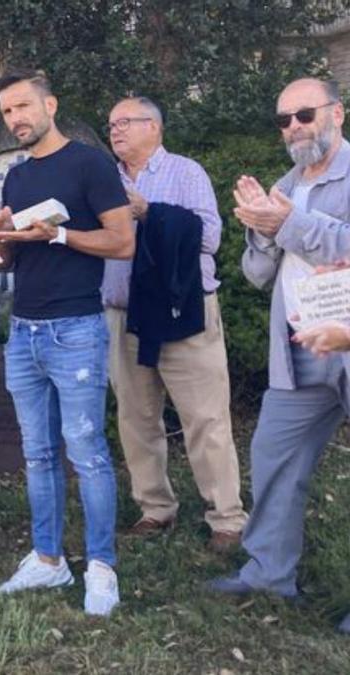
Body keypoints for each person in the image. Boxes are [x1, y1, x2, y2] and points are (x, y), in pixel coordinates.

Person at [0, 68, 133, 616]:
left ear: (51, 104)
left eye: (22, 106)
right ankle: (47, 560)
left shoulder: (90, 165)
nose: (15, 119)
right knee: (38, 453)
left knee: (87, 453)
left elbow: (122, 241)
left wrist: (61, 233)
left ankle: (101, 567)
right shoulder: (17, 179)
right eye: (6, 112)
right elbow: (11, 260)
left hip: (76, 330)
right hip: (23, 332)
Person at [206, 77, 350, 635]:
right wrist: (264, 235)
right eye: (284, 120)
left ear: (336, 113)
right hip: (297, 352)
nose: (294, 128)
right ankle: (269, 571)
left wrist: (287, 223)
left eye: (305, 114)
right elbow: (256, 274)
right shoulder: (284, 183)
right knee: (273, 455)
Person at [100, 97, 248, 550]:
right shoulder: (104, 181)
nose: (116, 130)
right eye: (111, 124)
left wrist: (151, 213)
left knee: (205, 417)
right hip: (123, 315)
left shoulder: (187, 172)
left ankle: (226, 517)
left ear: (155, 128)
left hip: (184, 312)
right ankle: (155, 508)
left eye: (126, 122)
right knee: (136, 417)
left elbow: (209, 236)